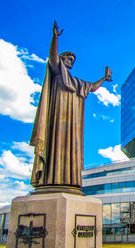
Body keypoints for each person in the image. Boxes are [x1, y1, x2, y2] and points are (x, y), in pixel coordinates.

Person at [30, 21, 112, 194]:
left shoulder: (75, 82)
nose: (71, 61)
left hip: (71, 124)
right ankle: (51, 180)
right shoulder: (58, 72)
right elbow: (52, 57)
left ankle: (68, 181)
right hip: (56, 118)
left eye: (73, 60)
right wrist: (55, 38)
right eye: (69, 58)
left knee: (69, 149)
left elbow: (91, 87)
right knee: (55, 145)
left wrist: (104, 79)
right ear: (62, 58)